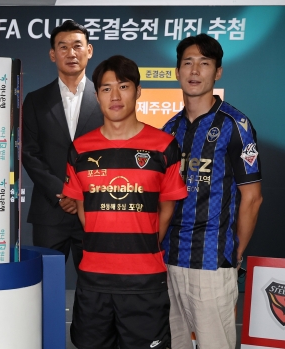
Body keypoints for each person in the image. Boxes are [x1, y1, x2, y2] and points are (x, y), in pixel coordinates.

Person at [64, 55, 187, 349]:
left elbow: (167, 208)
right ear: (97, 96)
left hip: (144, 282)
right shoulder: (80, 149)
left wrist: (139, 242)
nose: (115, 96)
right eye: (106, 89)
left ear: (138, 90)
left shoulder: (164, 147)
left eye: (124, 86)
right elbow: (82, 208)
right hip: (93, 279)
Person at [162, 34, 263, 349]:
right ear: (177, 71)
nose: (194, 70)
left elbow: (252, 197)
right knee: (172, 342)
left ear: (217, 72)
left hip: (212, 261)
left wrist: (235, 253)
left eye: (204, 64)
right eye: (187, 63)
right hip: (167, 259)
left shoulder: (236, 125)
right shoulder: (169, 129)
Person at [22, 19, 103, 271]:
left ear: (89, 50)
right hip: (50, 210)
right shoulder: (35, 100)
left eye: (77, 46)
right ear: (52, 54)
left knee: (95, 287)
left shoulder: (106, 99)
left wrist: (80, 195)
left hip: (95, 209)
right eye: (63, 47)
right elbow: (28, 152)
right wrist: (62, 192)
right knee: (44, 285)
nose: (71, 53)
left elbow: (113, 152)